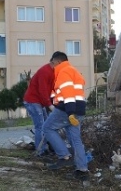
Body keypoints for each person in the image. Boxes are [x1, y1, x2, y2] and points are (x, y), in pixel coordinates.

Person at [42, 51, 89, 181]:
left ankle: (64, 156)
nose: (51, 66)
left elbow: (68, 93)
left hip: (67, 109)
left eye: (51, 63)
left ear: (57, 62)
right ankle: (82, 170)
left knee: (47, 128)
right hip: (79, 109)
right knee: (76, 140)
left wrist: (69, 112)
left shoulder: (63, 72)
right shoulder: (73, 71)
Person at [23, 57, 56, 156]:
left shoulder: (51, 72)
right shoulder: (45, 71)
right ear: (55, 61)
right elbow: (43, 90)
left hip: (38, 102)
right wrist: (49, 105)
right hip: (33, 101)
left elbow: (50, 90)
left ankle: (45, 148)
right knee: (40, 126)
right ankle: (40, 151)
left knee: (46, 125)